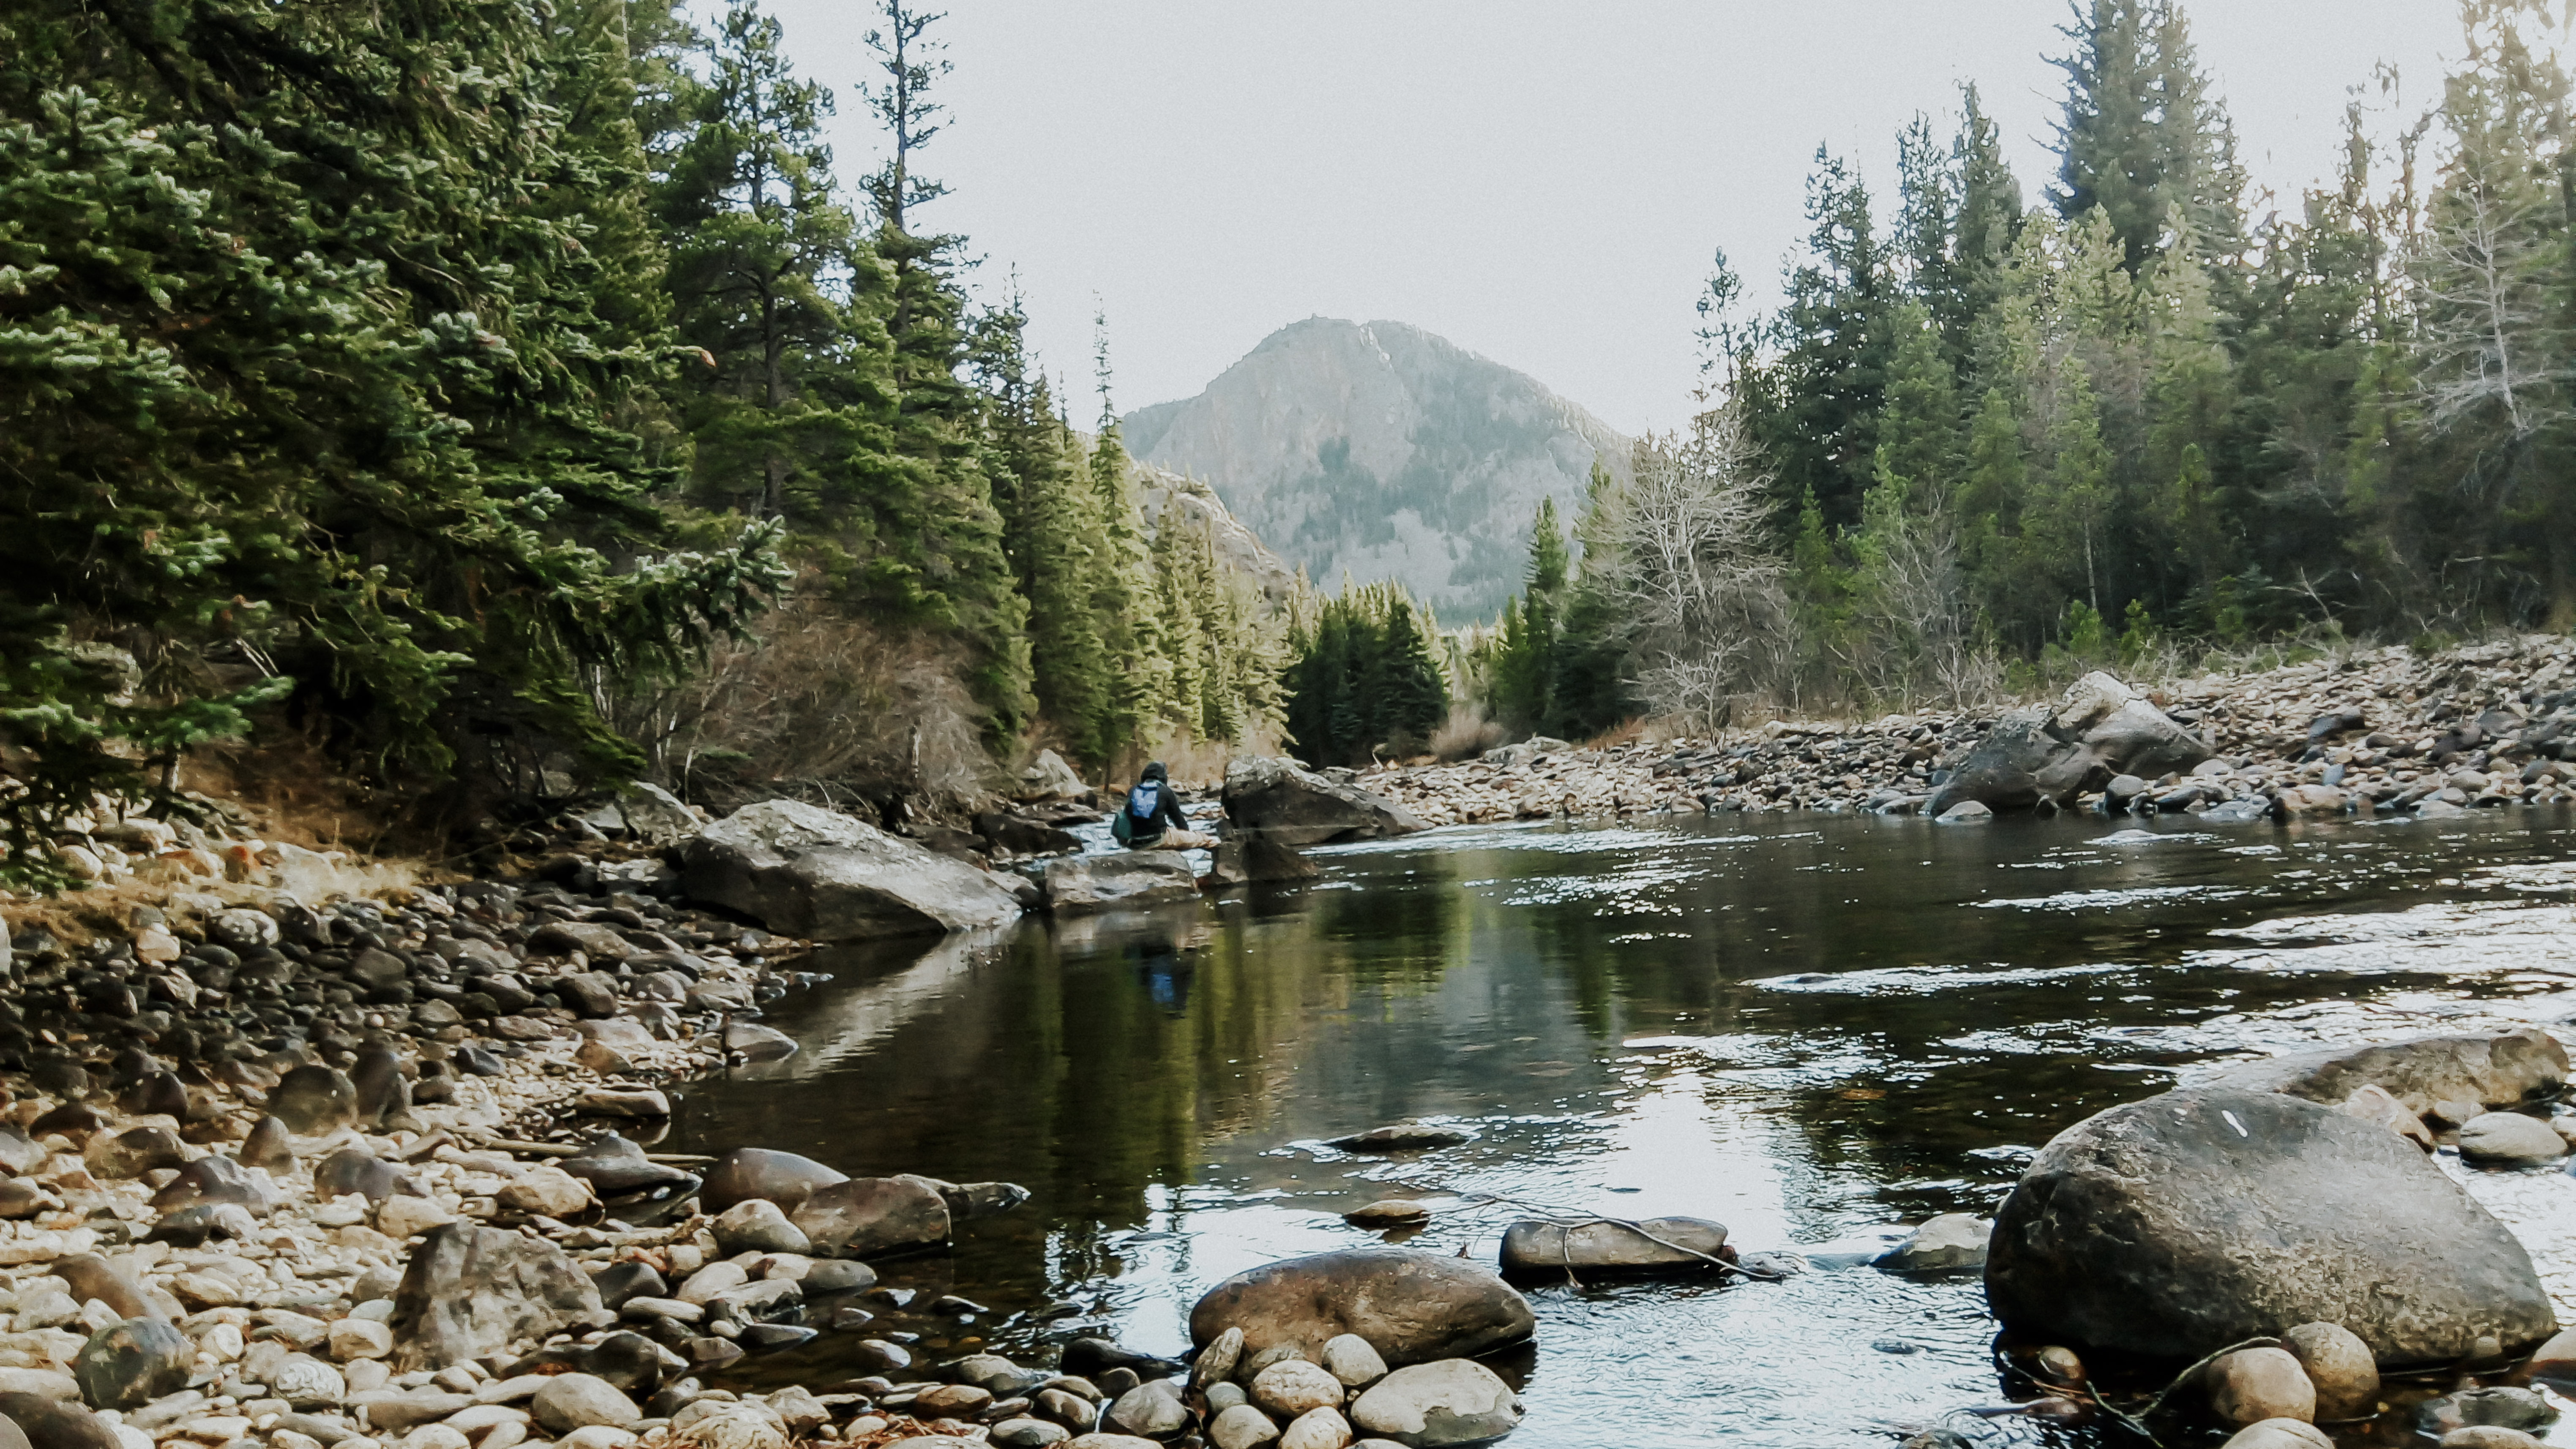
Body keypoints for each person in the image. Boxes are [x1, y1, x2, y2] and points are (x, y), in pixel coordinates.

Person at [1114, 762, 1217, 850]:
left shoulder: (1134, 790)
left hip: (1133, 843)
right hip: (1157, 840)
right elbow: (1179, 820)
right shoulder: (1165, 791)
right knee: (1206, 839)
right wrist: (1187, 836)